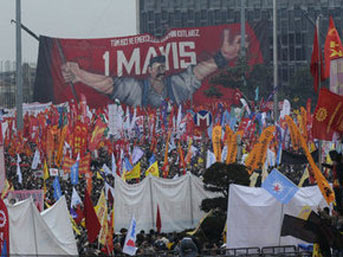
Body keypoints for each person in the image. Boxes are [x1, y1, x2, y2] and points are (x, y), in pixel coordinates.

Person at [62, 28, 248, 107]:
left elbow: (197, 72)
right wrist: (81, 76)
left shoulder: (176, 85)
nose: (161, 69)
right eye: (157, 66)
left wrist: (221, 58)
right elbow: (109, 84)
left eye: (163, 66)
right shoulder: (137, 89)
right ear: (149, 70)